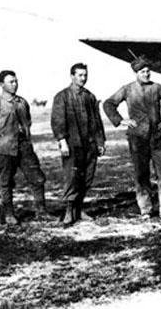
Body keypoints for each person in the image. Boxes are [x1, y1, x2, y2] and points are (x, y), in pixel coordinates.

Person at [103, 56, 161, 220]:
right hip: (137, 138)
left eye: (148, 71)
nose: (146, 74)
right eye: (142, 72)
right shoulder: (127, 89)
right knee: (141, 174)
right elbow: (108, 104)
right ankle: (145, 209)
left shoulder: (157, 88)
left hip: (157, 137)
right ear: (135, 73)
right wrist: (121, 120)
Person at [0, 70, 54, 225]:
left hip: (25, 148)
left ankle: (42, 212)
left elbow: (27, 122)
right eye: (11, 82)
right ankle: (9, 214)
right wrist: (0, 141)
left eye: (16, 81)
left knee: (37, 179)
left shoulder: (22, 102)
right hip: (5, 151)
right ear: (1, 84)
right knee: (6, 182)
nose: (15, 84)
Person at [51, 63, 106, 225]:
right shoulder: (62, 96)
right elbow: (57, 121)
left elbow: (97, 121)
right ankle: (69, 211)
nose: (83, 78)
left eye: (85, 75)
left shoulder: (90, 96)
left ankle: (79, 209)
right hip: (72, 144)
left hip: (89, 145)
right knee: (72, 177)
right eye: (80, 75)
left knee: (87, 177)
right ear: (72, 76)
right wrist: (62, 141)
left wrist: (100, 142)